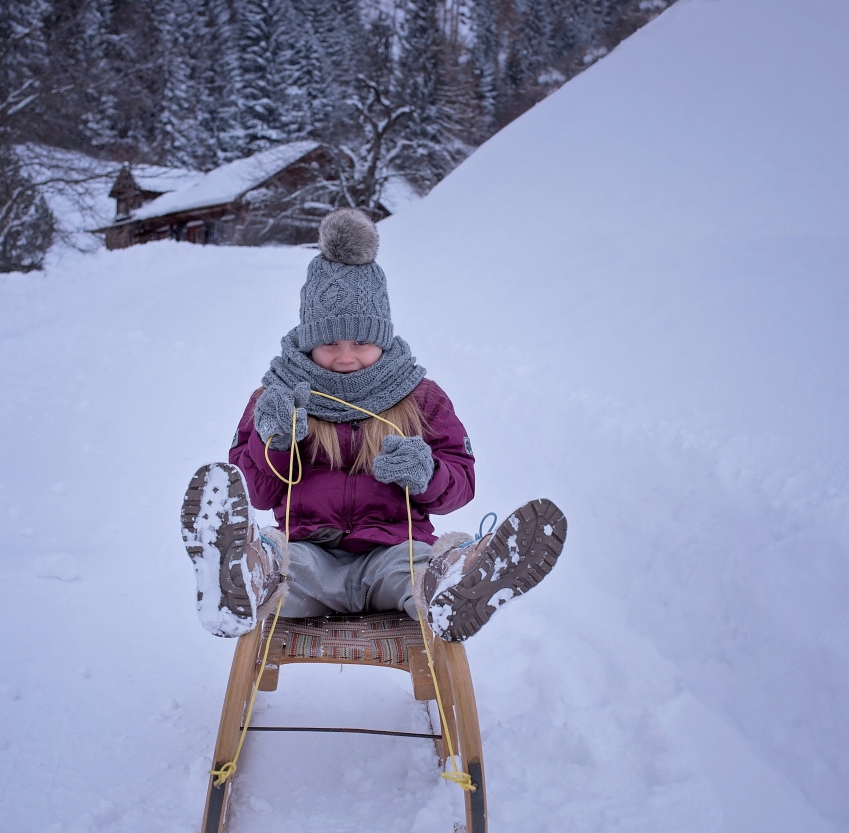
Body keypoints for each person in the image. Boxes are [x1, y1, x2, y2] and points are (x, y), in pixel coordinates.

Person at [180, 208, 566, 642]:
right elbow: (261, 493)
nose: (345, 356)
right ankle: (240, 576)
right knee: (280, 564)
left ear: (381, 337)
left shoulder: (420, 397)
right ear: (309, 342)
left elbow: (462, 481)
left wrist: (428, 474)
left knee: (420, 572)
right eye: (329, 343)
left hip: (392, 553)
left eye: (361, 342)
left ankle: (459, 583)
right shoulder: (278, 397)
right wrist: (275, 441)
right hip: (310, 556)